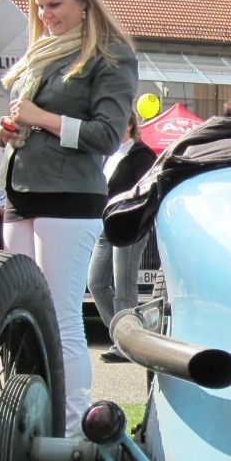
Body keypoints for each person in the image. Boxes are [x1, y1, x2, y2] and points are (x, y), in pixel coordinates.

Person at [0, 0, 137, 438]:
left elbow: (108, 135)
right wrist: (8, 130)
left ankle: (73, 435)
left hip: (70, 198)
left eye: (54, 5)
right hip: (21, 192)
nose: (46, 15)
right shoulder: (45, 52)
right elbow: (33, 121)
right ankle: (23, 423)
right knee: (21, 315)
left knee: (60, 316)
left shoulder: (112, 56)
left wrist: (42, 118)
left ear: (83, 0)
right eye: (39, 7)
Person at [88, 113, 155, 363]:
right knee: (95, 282)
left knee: (124, 287)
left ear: (129, 125)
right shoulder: (109, 154)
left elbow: (147, 190)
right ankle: (122, 335)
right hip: (105, 225)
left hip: (129, 225)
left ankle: (125, 343)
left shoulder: (142, 155)